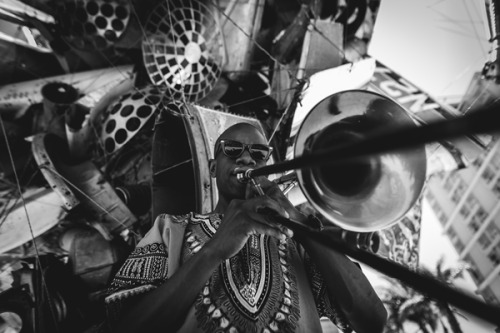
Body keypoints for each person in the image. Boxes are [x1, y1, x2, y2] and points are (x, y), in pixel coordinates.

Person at [104, 122, 387, 333]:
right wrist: (214, 250)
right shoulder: (171, 228)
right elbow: (124, 325)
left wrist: (297, 220)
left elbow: (372, 320)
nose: (247, 159)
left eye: (259, 153)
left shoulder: (298, 244)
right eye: (233, 150)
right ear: (213, 168)